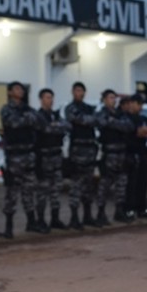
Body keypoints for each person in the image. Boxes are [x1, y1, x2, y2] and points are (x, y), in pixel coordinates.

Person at [0, 81, 42, 238]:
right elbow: (13, 123)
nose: (20, 91)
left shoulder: (28, 109)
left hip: (28, 154)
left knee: (29, 190)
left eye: (21, 89)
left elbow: (39, 123)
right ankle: (8, 225)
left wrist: (26, 118)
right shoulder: (6, 109)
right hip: (14, 155)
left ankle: (31, 222)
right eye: (16, 89)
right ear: (10, 92)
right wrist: (28, 119)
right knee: (12, 191)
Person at [95, 89, 134, 226]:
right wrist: (118, 124)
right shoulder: (101, 113)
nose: (113, 100)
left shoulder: (120, 113)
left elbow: (129, 126)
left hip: (121, 153)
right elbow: (103, 123)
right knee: (105, 184)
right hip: (109, 154)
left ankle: (119, 211)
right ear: (104, 100)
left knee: (121, 184)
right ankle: (100, 213)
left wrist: (113, 123)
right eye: (111, 97)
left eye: (114, 98)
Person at [34, 88, 71, 229]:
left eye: (51, 97)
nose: (50, 100)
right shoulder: (37, 116)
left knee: (56, 190)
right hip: (43, 157)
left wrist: (54, 126)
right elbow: (45, 130)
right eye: (47, 97)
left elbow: (68, 126)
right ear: (41, 99)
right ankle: (40, 220)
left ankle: (55, 219)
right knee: (42, 190)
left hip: (56, 156)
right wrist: (55, 127)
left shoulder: (55, 115)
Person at [63, 82, 98, 229]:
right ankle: (74, 217)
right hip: (77, 151)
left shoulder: (89, 108)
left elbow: (96, 120)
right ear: (72, 92)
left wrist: (87, 120)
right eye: (77, 90)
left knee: (88, 185)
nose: (79, 93)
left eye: (81, 90)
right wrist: (88, 120)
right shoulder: (70, 108)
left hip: (89, 150)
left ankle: (87, 216)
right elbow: (79, 119)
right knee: (76, 185)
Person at [123, 95, 147, 221]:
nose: (141, 107)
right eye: (139, 104)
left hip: (143, 153)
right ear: (132, 103)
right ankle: (129, 209)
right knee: (131, 183)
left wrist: (144, 131)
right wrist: (142, 131)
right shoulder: (126, 118)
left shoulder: (143, 118)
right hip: (130, 153)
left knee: (143, 182)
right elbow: (137, 132)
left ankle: (141, 208)